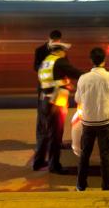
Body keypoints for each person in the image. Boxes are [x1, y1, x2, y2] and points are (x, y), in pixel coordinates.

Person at [74, 47, 109, 192]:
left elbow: (77, 98)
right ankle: (107, 186)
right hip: (105, 120)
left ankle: (81, 185)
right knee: (105, 154)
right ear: (104, 60)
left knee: (85, 154)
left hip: (88, 121)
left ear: (91, 60)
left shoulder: (83, 78)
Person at [32, 41, 82, 174]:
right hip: (55, 103)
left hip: (44, 101)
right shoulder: (60, 62)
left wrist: (65, 84)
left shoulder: (46, 62)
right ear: (59, 51)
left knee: (43, 133)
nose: (65, 54)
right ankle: (54, 166)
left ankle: (38, 161)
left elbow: (52, 80)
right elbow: (76, 73)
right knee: (56, 134)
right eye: (64, 51)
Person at [32, 29, 62, 166]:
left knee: (51, 125)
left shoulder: (61, 51)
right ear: (49, 39)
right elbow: (35, 66)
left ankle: (44, 157)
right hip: (45, 92)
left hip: (57, 92)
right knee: (44, 126)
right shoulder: (40, 50)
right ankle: (42, 160)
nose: (56, 44)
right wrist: (46, 67)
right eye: (54, 41)